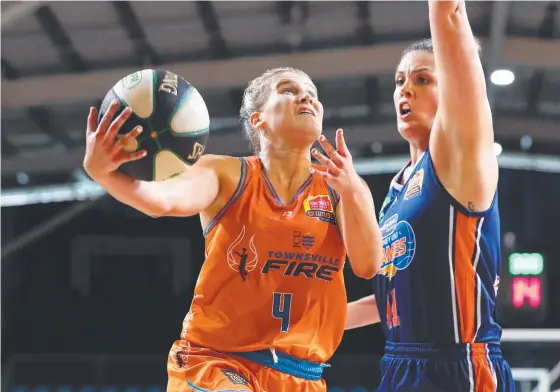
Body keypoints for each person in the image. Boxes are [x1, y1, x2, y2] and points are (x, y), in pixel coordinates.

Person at [83, 67, 384, 392]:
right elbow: (161, 201)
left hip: (302, 378)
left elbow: (367, 265)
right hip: (216, 364)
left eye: (312, 92)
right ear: (258, 120)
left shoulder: (340, 190)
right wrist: (104, 173)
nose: (306, 96)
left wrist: (354, 190)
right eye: (288, 89)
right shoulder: (226, 174)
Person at [345, 1, 514, 391]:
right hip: (399, 363)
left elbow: (448, 13)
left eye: (422, 79)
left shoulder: (459, 156)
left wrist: (448, 17)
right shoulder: (397, 189)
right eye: (399, 80)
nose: (405, 88)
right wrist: (312, 322)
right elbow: (400, 295)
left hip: (459, 368)